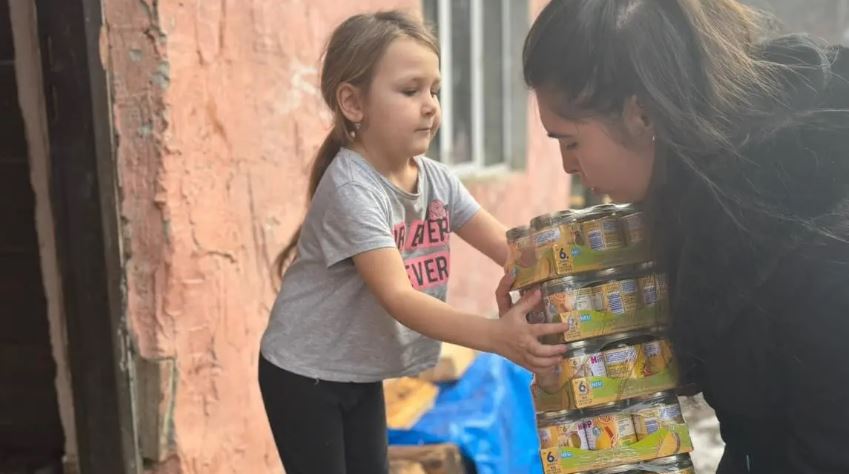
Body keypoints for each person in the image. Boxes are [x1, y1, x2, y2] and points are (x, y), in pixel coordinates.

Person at [521, 1, 849, 472]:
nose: (569, 167)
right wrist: (576, 351)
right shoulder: (707, 198)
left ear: (643, 114)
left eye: (571, 142)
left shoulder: (821, 254)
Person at [258, 11, 568, 474]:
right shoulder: (352, 188)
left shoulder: (437, 181)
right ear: (353, 103)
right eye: (410, 91)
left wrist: (571, 272)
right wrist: (496, 337)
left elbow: (511, 250)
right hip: (304, 373)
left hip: (357, 367)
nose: (430, 106)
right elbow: (399, 297)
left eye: (434, 90)